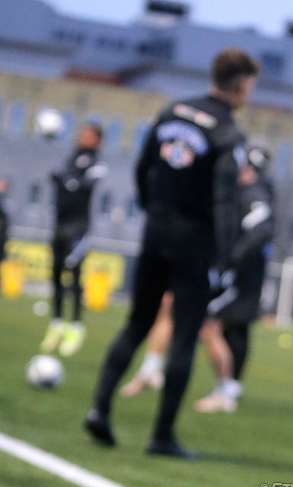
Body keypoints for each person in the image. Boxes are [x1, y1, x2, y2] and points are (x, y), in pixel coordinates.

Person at [85, 48, 259, 458]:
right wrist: (226, 253)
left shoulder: (172, 111)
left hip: (156, 235)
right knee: (183, 338)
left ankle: (99, 409)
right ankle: (161, 436)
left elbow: (143, 168)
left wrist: (153, 210)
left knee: (136, 324)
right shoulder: (228, 133)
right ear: (241, 85)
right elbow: (225, 200)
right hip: (194, 245)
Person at [195, 138, 275, 413]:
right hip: (239, 272)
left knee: (212, 323)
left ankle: (226, 389)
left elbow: (260, 231)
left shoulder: (254, 194)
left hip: (240, 275)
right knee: (228, 325)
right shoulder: (252, 193)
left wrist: (232, 259)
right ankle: (228, 387)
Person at [41, 124, 106, 357]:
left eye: (88, 135)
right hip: (59, 224)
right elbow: (58, 179)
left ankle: (76, 327)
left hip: (78, 228)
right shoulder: (70, 159)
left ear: (97, 140)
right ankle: (56, 322)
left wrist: (65, 181)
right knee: (56, 273)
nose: (82, 138)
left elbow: (80, 187)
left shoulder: (97, 163)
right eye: (81, 133)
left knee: (74, 274)